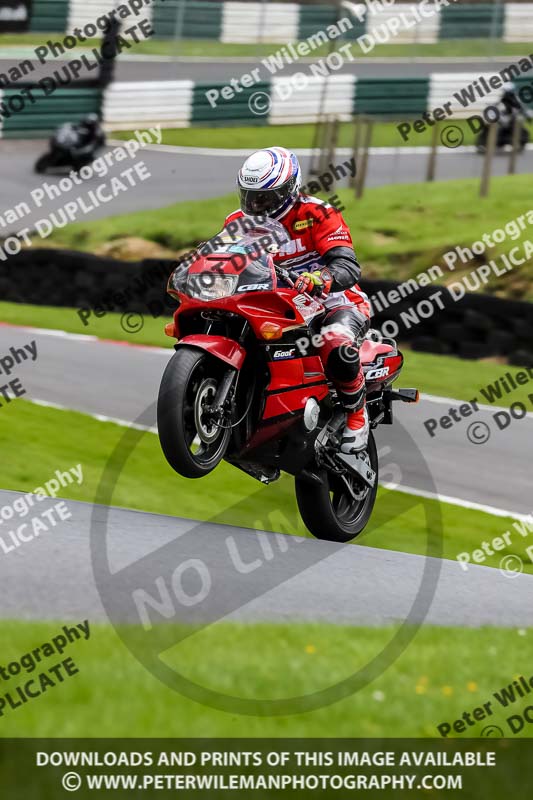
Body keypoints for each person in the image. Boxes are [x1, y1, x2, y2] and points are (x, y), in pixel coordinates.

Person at [224, 146, 371, 453]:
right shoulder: (237, 222)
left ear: (290, 189)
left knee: (335, 344)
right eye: (249, 196)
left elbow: (348, 265)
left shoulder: (318, 214)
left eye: (265, 197)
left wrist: (322, 278)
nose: (255, 204)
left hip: (333, 301)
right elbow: (221, 260)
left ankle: (357, 411)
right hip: (275, 301)